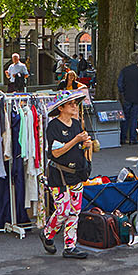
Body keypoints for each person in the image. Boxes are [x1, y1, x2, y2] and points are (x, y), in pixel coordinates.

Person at [41, 91, 95, 259]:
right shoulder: (54, 126)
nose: (74, 106)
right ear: (61, 108)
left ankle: (70, 246)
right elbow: (56, 152)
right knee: (63, 210)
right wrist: (76, 140)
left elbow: (80, 148)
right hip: (59, 175)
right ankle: (47, 233)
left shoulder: (77, 124)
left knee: (75, 211)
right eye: (70, 103)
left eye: (75, 103)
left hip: (76, 174)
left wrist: (87, 145)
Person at [117, 52, 138, 145]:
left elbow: (120, 83)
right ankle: (133, 138)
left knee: (125, 117)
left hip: (127, 95)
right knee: (134, 117)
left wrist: (122, 92)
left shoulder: (125, 70)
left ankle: (123, 137)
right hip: (137, 96)